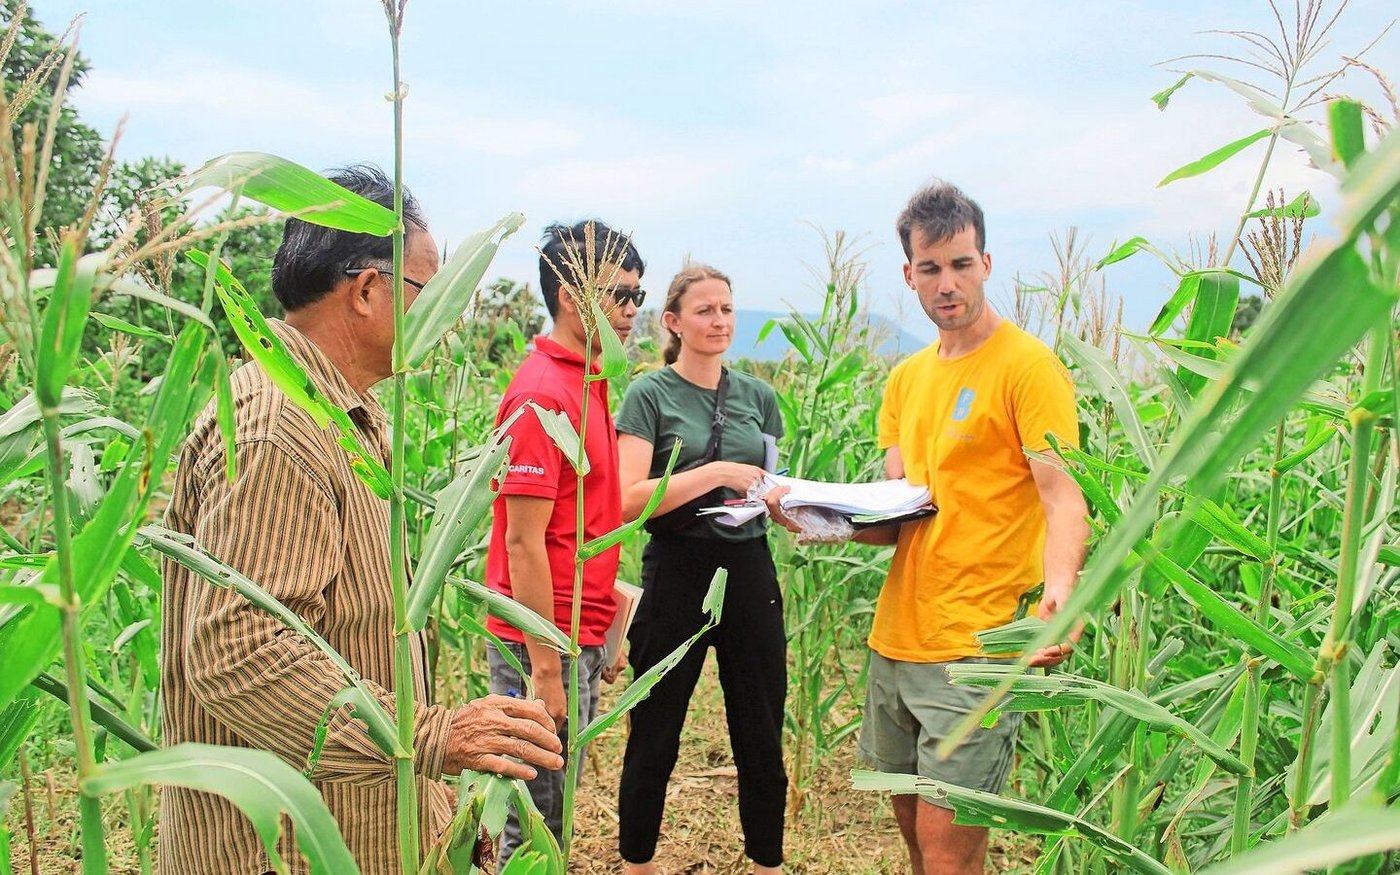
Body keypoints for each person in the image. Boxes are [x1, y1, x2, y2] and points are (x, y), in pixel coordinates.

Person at [159, 165, 564, 875]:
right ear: (368, 291)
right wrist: (433, 734)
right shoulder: (279, 425)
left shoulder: (339, 416)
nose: (448, 315)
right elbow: (242, 650)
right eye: (431, 291)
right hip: (284, 846)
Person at [774, 181, 1090, 875]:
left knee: (951, 857)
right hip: (898, 639)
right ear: (908, 272)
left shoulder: (1027, 368)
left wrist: (1063, 587)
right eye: (931, 268)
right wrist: (821, 517)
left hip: (975, 647)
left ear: (986, 262)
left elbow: (1064, 497)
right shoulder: (907, 379)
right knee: (918, 843)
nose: (947, 283)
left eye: (961, 264)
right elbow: (901, 515)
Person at [614, 263, 788, 875]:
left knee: (761, 728)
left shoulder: (759, 398)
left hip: (749, 566)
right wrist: (713, 474)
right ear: (673, 322)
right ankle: (638, 862)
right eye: (705, 310)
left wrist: (792, 505)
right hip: (677, 567)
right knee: (656, 725)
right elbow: (627, 498)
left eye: (727, 310)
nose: (719, 321)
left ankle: (766, 860)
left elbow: (771, 481)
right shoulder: (650, 394)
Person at [484, 219, 643, 865]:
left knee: (554, 805)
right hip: (537, 641)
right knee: (534, 813)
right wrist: (547, 671)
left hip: (575, 630)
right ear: (574, 297)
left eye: (637, 293)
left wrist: (605, 623)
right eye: (620, 294)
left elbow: (582, 524)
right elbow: (523, 544)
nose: (634, 309)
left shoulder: (589, 380)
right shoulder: (542, 394)